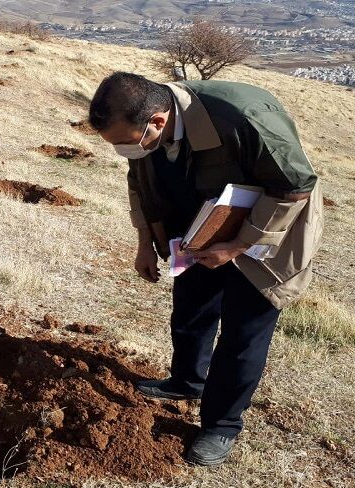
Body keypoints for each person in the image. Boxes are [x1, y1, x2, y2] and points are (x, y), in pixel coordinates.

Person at [88, 72, 322, 466]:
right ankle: (186, 382)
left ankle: (222, 426)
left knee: (243, 334)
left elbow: (294, 187)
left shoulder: (244, 117)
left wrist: (237, 245)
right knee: (191, 309)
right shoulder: (146, 133)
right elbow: (139, 183)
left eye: (127, 144)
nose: (125, 153)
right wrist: (146, 242)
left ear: (158, 121)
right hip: (196, 230)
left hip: (266, 236)